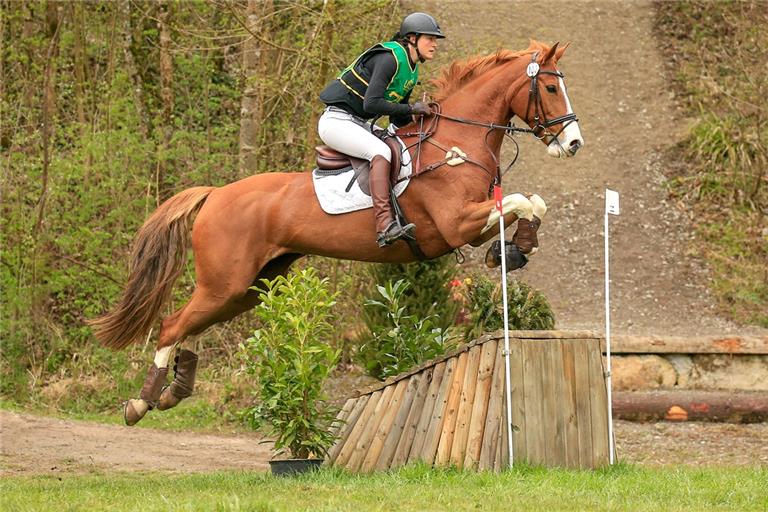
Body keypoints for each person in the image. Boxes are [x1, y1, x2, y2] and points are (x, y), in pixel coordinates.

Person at [318, 12, 445, 247]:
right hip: (336, 121)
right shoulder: (390, 59)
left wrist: (420, 119)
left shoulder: (411, 68)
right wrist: (411, 107)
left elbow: (395, 118)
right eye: (430, 38)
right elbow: (371, 103)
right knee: (381, 152)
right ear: (412, 38)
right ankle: (385, 224)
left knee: (397, 146)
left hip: (359, 123)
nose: (435, 45)